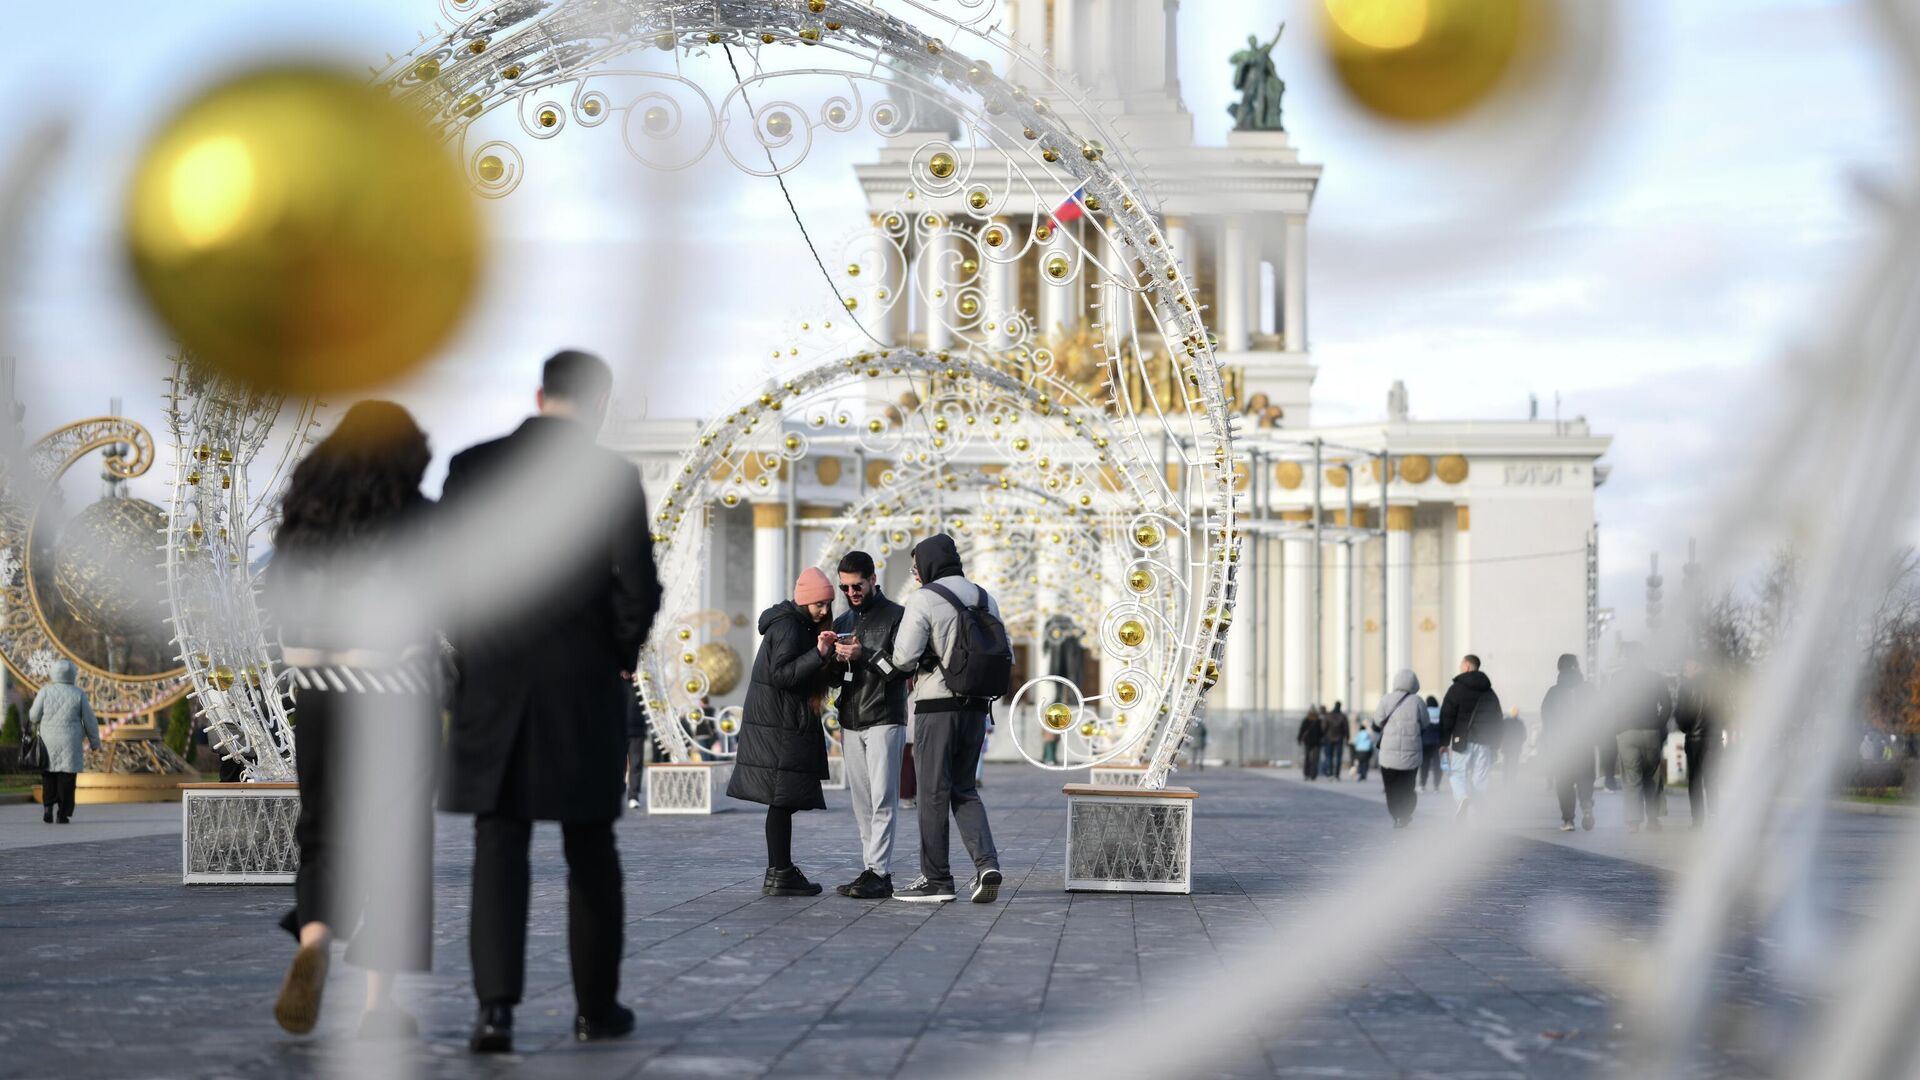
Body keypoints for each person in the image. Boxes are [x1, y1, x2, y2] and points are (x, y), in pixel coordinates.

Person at [439, 350, 661, 1053]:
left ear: (540, 395)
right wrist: (616, 658)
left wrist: (474, 654)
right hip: (582, 686)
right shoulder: (611, 477)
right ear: (599, 405)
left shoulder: (473, 467)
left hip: (493, 685)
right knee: (590, 847)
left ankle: (494, 1013)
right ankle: (597, 1009)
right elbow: (639, 588)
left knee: (498, 844)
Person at [265, 401, 442, 1039]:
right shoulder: (415, 517)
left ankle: (313, 938)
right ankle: (377, 1006)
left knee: (322, 829)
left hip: (315, 679)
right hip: (392, 682)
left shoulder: (303, 516)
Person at [888, 534, 1005, 904]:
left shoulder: (924, 598)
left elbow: (904, 657)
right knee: (964, 789)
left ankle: (936, 879)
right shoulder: (986, 597)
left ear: (927, 564)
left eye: (915, 567)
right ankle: (986, 863)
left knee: (932, 793)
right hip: (976, 708)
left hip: (937, 706)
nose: (916, 574)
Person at [728, 567, 840, 896]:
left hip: (780, 723)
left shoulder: (798, 623)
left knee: (783, 800)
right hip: (779, 726)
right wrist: (818, 654)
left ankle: (781, 870)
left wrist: (828, 657)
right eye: (820, 603)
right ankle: (780, 872)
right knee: (780, 800)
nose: (825, 610)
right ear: (805, 600)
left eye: (828, 603)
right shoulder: (790, 627)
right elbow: (783, 675)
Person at [828, 550, 910, 900]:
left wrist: (865, 655)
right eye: (845, 587)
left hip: (884, 716)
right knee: (861, 800)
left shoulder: (897, 616)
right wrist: (828, 655)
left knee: (882, 797)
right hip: (851, 717)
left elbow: (901, 671)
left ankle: (880, 870)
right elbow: (837, 677)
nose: (851, 593)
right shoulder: (843, 619)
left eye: (856, 585)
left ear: (873, 579)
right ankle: (871, 869)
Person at [1613, 643, 1674, 833]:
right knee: (1653, 776)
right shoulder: (1655, 678)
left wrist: (1617, 726)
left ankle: (1633, 822)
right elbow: (1667, 704)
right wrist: (1659, 723)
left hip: (1626, 733)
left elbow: (1609, 705)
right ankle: (1654, 820)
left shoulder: (1617, 678)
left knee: (1632, 777)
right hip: (1650, 731)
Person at [31, 659, 99, 825]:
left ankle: (47, 808)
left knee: (48, 775)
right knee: (67, 778)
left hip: (48, 741)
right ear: (73, 674)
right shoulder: (78, 694)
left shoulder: (45, 691)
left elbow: (33, 716)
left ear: (53, 673)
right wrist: (94, 741)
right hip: (71, 741)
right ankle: (63, 814)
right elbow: (89, 720)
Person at [1439, 655, 1503, 820]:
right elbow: (1497, 718)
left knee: (1457, 773)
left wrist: (1444, 742)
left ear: (1467, 665)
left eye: (1461, 664)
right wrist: (1495, 744)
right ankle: (1476, 814)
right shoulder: (1489, 692)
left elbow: (1447, 715)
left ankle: (1462, 798)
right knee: (1480, 778)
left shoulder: (1457, 689)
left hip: (1463, 739)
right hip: (1485, 742)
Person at [1540, 653, 1595, 833]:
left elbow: (1546, 719)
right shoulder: (1588, 689)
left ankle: (1568, 820)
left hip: (1562, 744)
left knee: (1564, 781)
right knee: (1585, 776)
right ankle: (1586, 805)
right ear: (1577, 667)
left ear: (1559, 668)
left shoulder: (1553, 692)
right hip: (1584, 742)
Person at [1372, 670, 1428, 828]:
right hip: (1411, 753)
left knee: (1391, 788)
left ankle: (1396, 815)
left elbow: (1376, 721)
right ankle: (1406, 814)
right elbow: (1426, 723)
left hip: (1388, 755)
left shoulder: (1385, 700)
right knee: (1408, 787)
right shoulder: (1418, 701)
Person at [1672, 658, 1716, 826]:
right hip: (1714, 738)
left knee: (1695, 780)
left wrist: (1685, 728)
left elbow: (1682, 713)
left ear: (1696, 666)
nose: (1685, 669)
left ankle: (1698, 820)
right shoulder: (1717, 685)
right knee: (1712, 779)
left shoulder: (1686, 687)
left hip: (1694, 738)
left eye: (1687, 666)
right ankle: (1714, 817)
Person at [625, 680, 650, 810]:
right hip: (618, 730)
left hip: (636, 731)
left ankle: (633, 796)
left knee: (636, 763)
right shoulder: (613, 682)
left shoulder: (640, 684)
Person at [1418, 694, 1444, 791]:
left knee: (1424, 764)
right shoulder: (1441, 712)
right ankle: (1436, 786)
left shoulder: (1425, 713)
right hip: (1438, 742)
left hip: (1425, 742)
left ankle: (1422, 785)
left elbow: (1421, 728)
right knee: (1438, 764)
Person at [1321, 702, 1349, 781]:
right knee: (1338, 757)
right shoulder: (1343, 716)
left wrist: (1324, 736)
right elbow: (1346, 729)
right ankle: (1337, 774)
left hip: (1329, 738)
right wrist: (1347, 738)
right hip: (1339, 739)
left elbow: (1323, 727)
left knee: (1329, 756)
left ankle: (1330, 773)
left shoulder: (1328, 715)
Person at [1296, 707, 1323, 780]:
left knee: (1307, 758)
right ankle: (1313, 775)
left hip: (1307, 742)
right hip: (1316, 742)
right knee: (1315, 759)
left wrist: (1299, 739)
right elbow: (1322, 732)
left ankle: (1306, 774)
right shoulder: (1318, 721)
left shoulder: (1306, 720)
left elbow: (1301, 730)